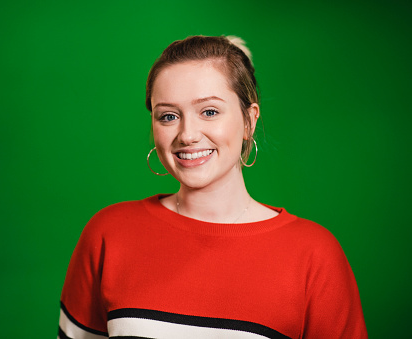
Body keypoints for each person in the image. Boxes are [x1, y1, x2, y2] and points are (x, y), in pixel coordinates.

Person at [58, 35, 367, 339]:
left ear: (249, 120)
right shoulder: (109, 234)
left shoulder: (314, 256)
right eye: (168, 116)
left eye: (209, 111)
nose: (188, 134)